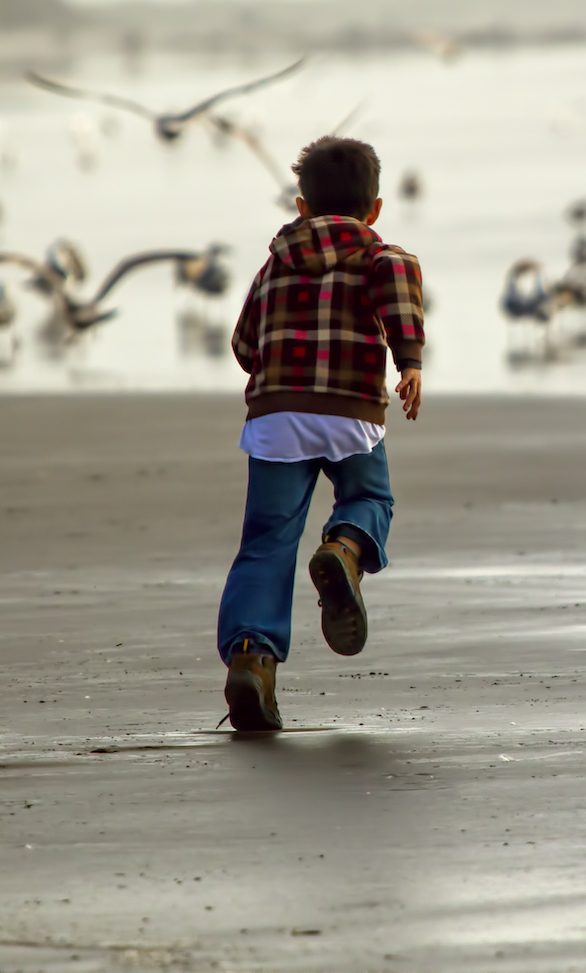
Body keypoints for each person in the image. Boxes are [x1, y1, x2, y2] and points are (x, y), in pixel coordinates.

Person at [219, 136, 426, 730]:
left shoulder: (275, 261)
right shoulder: (379, 255)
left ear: (301, 205)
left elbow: (242, 346)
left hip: (278, 416)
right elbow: (397, 279)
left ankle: (252, 659)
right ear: (376, 209)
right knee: (368, 497)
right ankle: (344, 549)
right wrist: (408, 360)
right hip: (350, 410)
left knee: (267, 542)